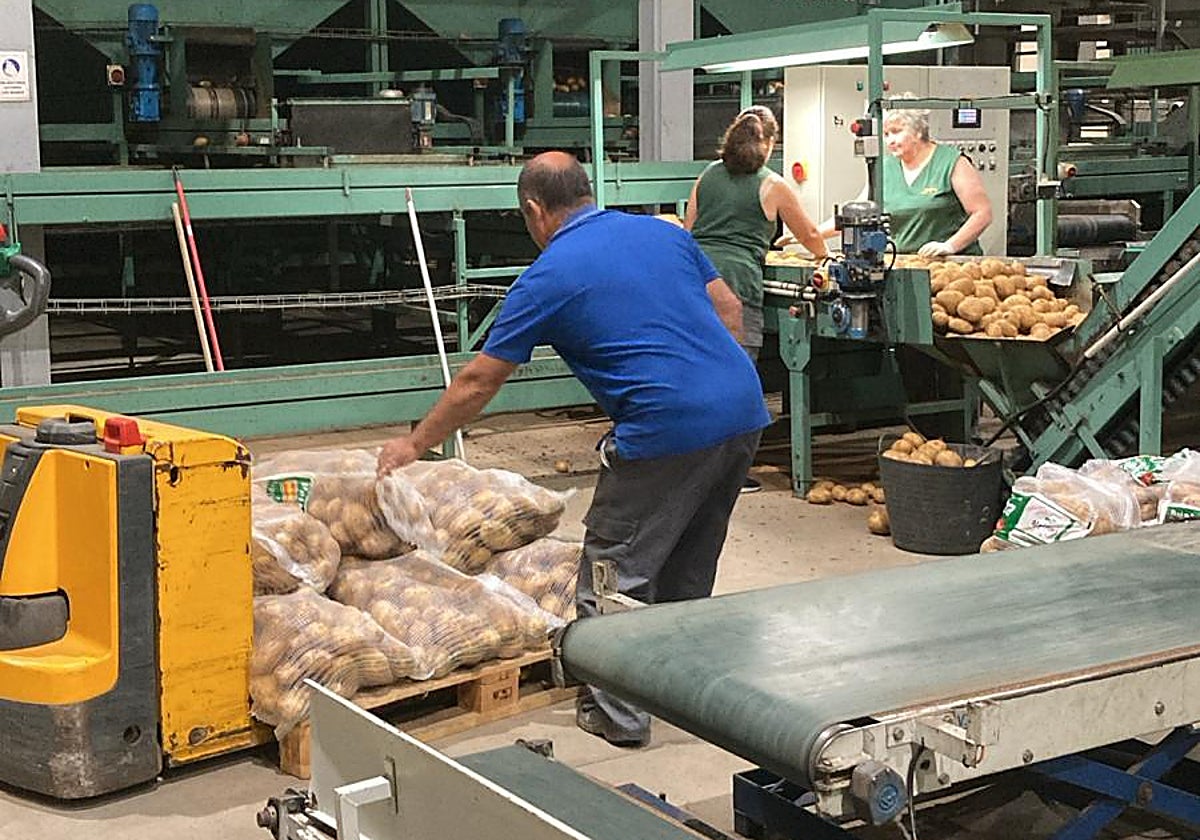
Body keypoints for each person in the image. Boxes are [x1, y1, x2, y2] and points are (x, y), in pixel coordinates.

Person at [376, 151, 771, 748]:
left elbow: (479, 381)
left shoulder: (549, 276)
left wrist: (414, 443)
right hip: (743, 413)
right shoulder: (659, 233)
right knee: (689, 561)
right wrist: (708, 383)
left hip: (665, 430)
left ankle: (618, 716)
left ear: (535, 210)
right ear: (587, 192)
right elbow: (731, 309)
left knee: (616, 570)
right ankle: (681, 692)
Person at [685, 106, 828, 493]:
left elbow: (689, 230)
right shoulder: (772, 185)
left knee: (698, 373)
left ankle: (690, 466)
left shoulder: (707, 175)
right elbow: (811, 235)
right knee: (735, 378)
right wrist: (825, 259)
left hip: (696, 280)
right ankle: (723, 475)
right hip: (735, 287)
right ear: (769, 144)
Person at [804, 104, 993, 257]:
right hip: (904, 264)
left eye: (896, 132)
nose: (890, 141)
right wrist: (809, 234)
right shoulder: (885, 168)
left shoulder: (952, 162)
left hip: (951, 266)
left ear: (918, 131)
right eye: (886, 134)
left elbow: (982, 213)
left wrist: (950, 246)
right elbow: (857, 216)